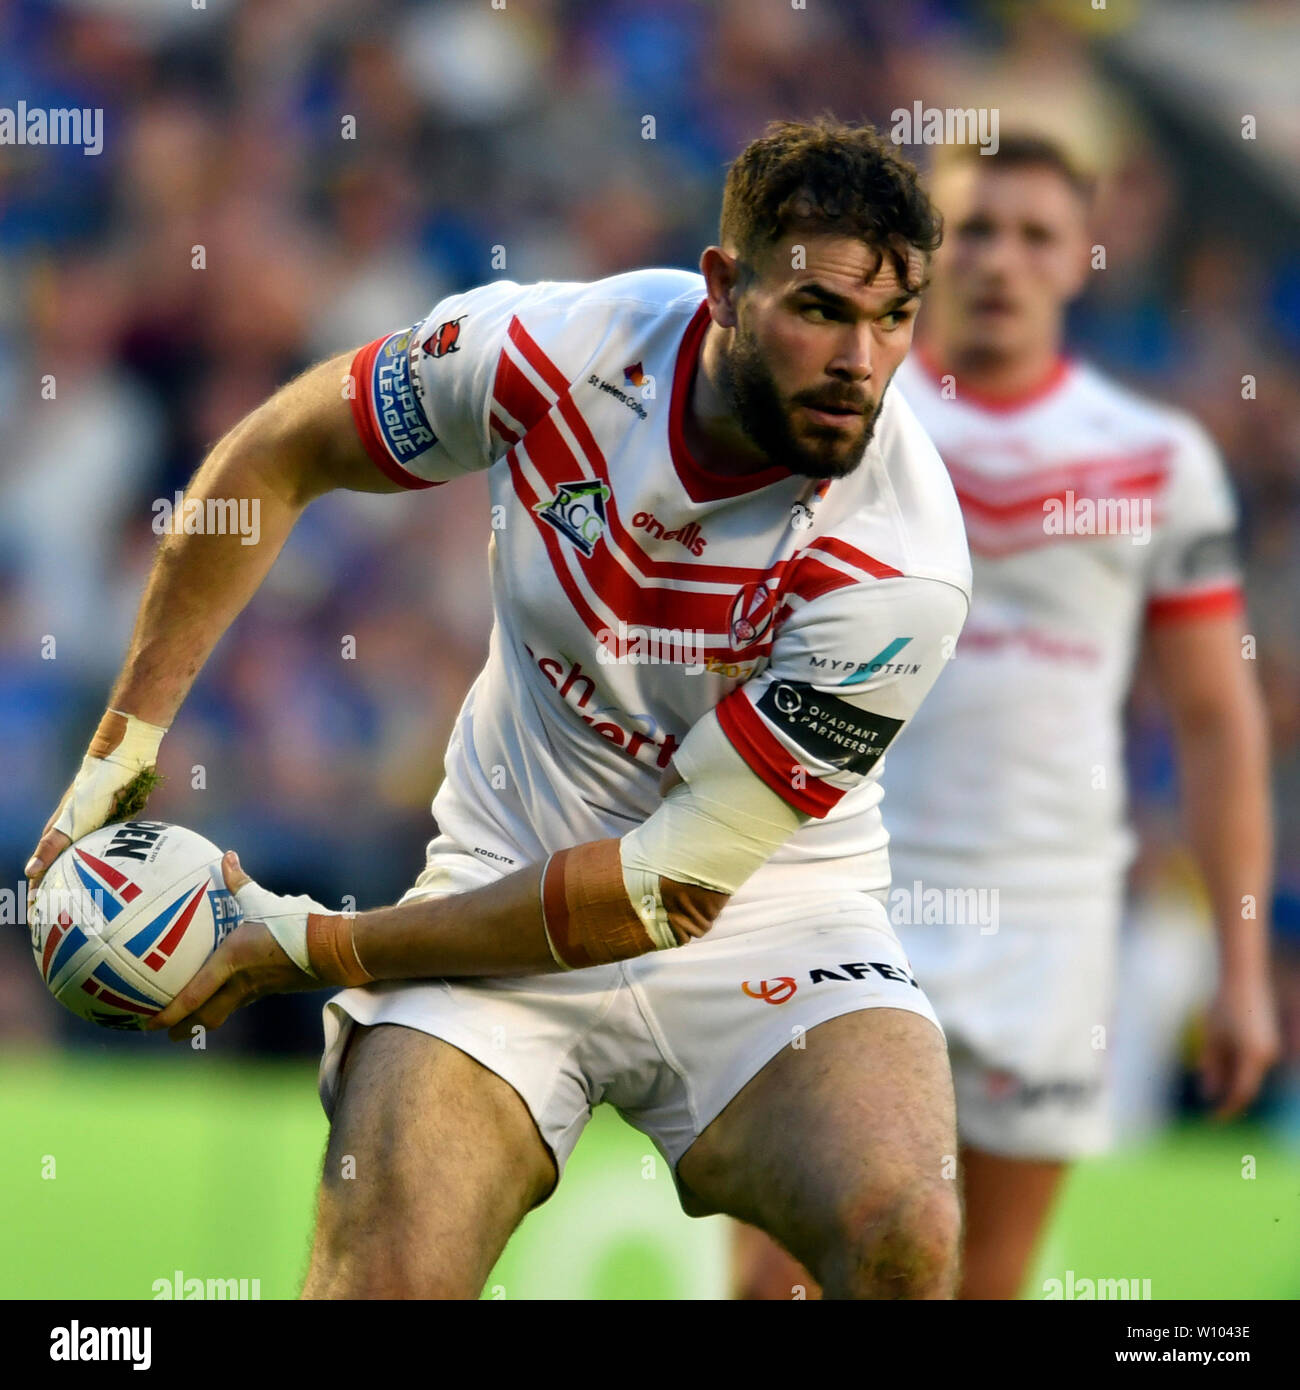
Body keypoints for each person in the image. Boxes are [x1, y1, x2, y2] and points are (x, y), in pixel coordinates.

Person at [25, 118, 975, 1300]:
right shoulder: (550, 349)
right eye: (823, 310)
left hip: (774, 914)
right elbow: (280, 454)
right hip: (501, 864)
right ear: (723, 286)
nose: (862, 362)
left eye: (896, 318)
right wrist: (120, 752)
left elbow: (657, 892)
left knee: (908, 1229)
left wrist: (309, 947)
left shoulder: (898, 569)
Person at [732, 134, 1279, 1301]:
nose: (1001, 261)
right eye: (974, 229)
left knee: (977, 1284)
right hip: (840, 892)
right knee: (772, 1275)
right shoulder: (841, 420)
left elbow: (1215, 720)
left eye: (1035, 234)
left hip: (1048, 922)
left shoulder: (1153, 461)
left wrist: (1238, 965)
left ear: (1082, 257)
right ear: (928, 252)